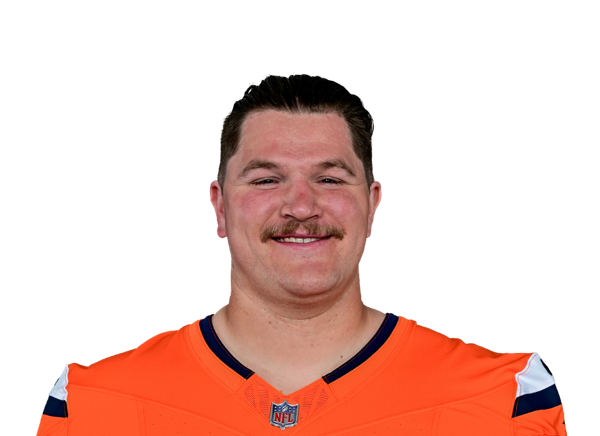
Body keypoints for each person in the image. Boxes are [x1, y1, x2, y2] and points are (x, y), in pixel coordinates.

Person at [36, 74, 567, 435]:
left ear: (372, 205)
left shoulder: (507, 398)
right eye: (266, 179)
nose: (301, 206)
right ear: (219, 207)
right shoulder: (91, 404)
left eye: (329, 178)